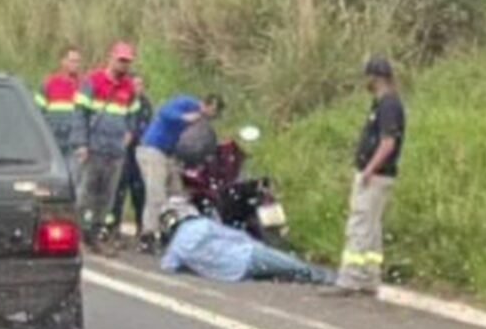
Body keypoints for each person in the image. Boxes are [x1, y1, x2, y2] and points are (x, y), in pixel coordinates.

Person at [321, 56, 406, 297]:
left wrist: (369, 169)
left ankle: (349, 280)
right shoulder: (382, 103)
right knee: (372, 228)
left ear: (375, 77)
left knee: (359, 225)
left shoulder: (388, 105)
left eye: (368, 77)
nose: (365, 82)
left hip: (376, 176)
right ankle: (369, 277)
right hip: (380, 175)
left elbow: (388, 142)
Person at [70, 41, 140, 254]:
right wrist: (81, 143)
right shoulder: (93, 81)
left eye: (127, 62)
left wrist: (129, 133)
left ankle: (96, 235)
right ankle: (77, 232)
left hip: (115, 151)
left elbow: (133, 114)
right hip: (93, 149)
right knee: (85, 194)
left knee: (106, 197)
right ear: (111, 58)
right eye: (121, 60)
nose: (124, 65)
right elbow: (79, 114)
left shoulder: (129, 87)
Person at [136, 92, 224, 254]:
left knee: (177, 194)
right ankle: (147, 236)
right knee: (157, 194)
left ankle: (171, 232)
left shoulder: (201, 121)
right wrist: (183, 117)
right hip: (152, 149)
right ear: (209, 105)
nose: (213, 117)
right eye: (214, 113)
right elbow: (164, 112)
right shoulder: (186, 104)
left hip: (169, 154)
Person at [160, 204, 333, 284]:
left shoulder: (175, 249)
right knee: (294, 265)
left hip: (229, 274)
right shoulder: (201, 225)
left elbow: (167, 266)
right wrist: (257, 243)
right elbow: (236, 236)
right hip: (245, 256)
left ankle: (295, 275)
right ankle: (325, 277)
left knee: (278, 269)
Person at [110, 72, 151, 240]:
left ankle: (141, 227)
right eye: (134, 84)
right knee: (118, 191)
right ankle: (113, 227)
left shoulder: (146, 105)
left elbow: (146, 128)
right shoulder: (121, 102)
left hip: (139, 153)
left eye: (140, 85)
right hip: (121, 152)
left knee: (139, 192)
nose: (137, 88)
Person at [34, 45, 83, 172]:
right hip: (53, 141)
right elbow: (37, 113)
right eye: (72, 61)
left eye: (78, 61)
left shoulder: (84, 85)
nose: (76, 65)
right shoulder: (49, 83)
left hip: (74, 142)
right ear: (63, 62)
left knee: (74, 178)